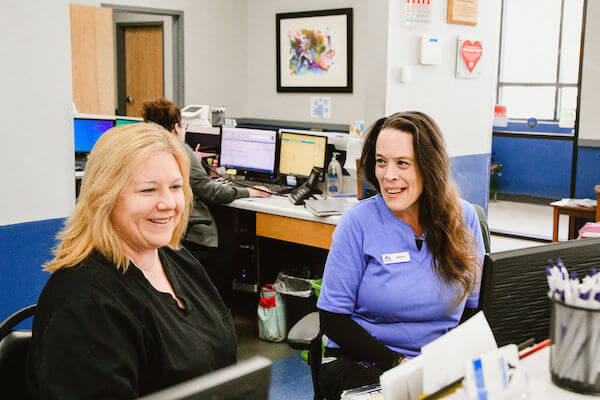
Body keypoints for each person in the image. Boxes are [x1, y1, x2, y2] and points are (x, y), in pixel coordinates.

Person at [27, 123, 237, 399]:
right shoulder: (86, 303)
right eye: (148, 190)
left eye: (175, 187)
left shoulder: (178, 260)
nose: (168, 203)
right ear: (106, 197)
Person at [316, 112, 485, 399]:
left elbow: (474, 309)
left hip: (438, 365)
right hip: (363, 360)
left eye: (402, 163)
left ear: (429, 168)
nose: (388, 175)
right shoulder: (357, 222)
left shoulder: (464, 218)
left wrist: (449, 363)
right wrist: (399, 363)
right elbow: (333, 318)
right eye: (381, 162)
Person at [142, 99, 270, 291]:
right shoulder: (179, 150)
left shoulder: (144, 149)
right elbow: (210, 192)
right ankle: (212, 298)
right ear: (177, 128)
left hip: (161, 226)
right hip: (189, 230)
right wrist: (248, 191)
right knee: (229, 243)